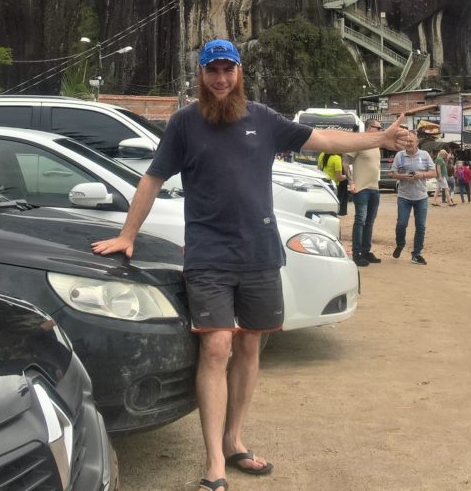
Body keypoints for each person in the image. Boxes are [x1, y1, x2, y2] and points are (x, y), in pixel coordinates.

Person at [91, 39, 409, 491]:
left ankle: (235, 439)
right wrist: (127, 235)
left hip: (260, 251)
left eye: (228, 70)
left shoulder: (262, 118)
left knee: (249, 346)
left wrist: (379, 138)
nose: (220, 79)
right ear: (200, 75)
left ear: (239, 72)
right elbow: (153, 178)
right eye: (212, 71)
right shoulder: (184, 123)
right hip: (209, 254)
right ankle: (214, 460)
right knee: (217, 345)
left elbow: (324, 138)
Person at [391, 128, 437, 264]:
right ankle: (400, 244)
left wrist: (421, 175)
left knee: (421, 226)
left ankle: (416, 254)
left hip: (421, 196)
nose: (409, 143)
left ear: (417, 142)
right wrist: (402, 176)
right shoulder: (399, 155)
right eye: (407, 141)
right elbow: (393, 174)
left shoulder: (425, 155)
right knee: (401, 224)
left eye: (411, 141)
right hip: (404, 196)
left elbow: (433, 173)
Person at [347, 119, 382, 267]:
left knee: (370, 221)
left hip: (374, 188)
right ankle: (357, 253)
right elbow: (345, 160)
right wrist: (351, 182)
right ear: (369, 128)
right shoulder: (359, 142)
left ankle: (366, 250)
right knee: (360, 220)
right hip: (361, 188)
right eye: (378, 128)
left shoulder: (375, 145)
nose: (380, 130)